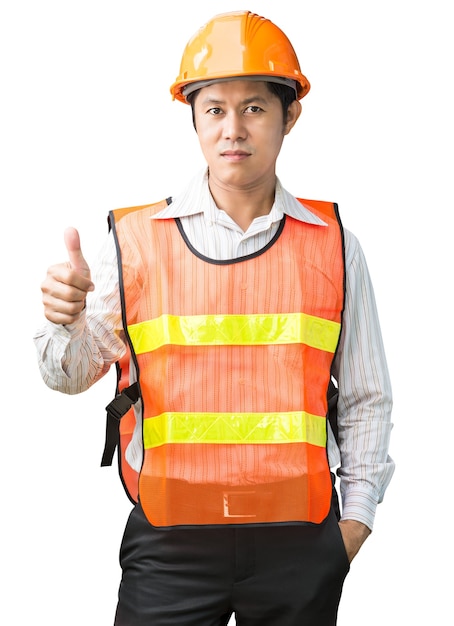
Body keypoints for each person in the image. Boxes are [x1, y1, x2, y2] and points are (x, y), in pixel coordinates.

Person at [34, 10, 394, 626]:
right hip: (171, 546)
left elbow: (366, 397)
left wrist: (354, 524)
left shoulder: (335, 244)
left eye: (254, 107)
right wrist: (63, 324)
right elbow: (66, 378)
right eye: (215, 109)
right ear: (194, 119)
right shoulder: (135, 240)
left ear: (290, 115)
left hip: (300, 546)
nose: (234, 128)